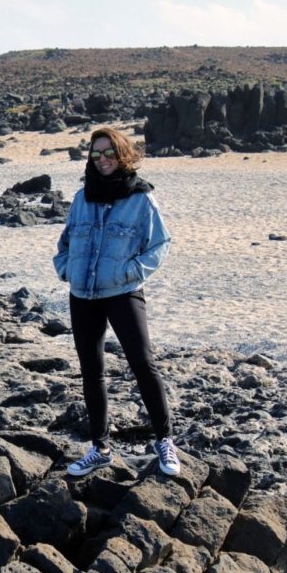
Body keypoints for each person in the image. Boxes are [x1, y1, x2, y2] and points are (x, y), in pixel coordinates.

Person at [53, 126, 179, 477]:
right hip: (83, 295)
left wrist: (131, 272)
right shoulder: (82, 197)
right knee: (91, 371)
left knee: (142, 363)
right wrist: (66, 270)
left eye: (109, 153)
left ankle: (165, 440)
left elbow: (160, 244)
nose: (103, 160)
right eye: (96, 154)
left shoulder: (140, 198)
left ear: (121, 154)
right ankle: (100, 448)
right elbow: (65, 242)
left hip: (123, 293)